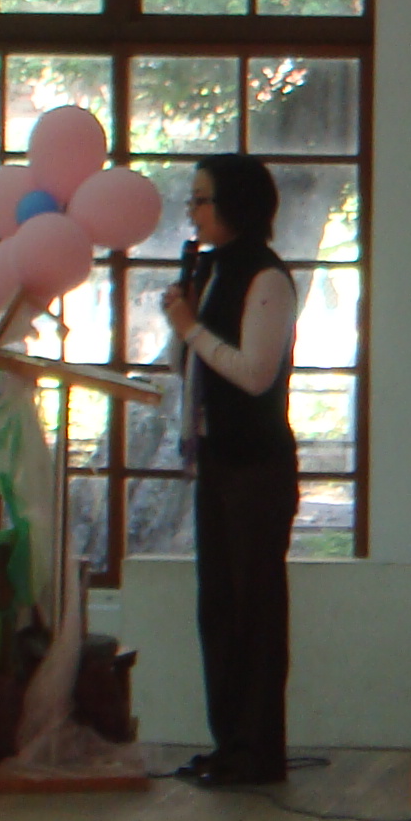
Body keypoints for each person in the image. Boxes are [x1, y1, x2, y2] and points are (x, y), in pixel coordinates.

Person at [160, 153, 297, 786]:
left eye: (202, 200)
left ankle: (258, 751)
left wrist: (190, 328)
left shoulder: (267, 277)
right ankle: (228, 744)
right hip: (216, 458)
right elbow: (184, 366)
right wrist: (182, 321)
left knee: (254, 611)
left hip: (257, 466)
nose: (192, 213)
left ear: (236, 205)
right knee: (217, 607)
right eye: (191, 200)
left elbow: (253, 374)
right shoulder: (210, 270)